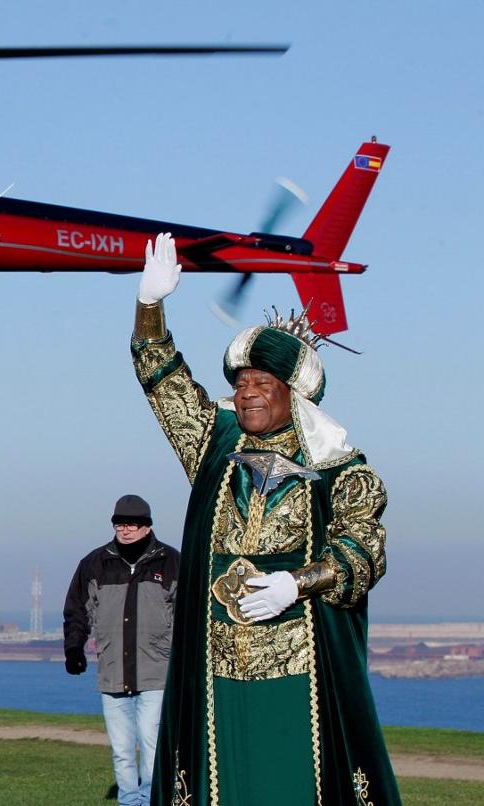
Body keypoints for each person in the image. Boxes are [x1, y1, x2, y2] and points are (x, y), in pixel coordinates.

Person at [131, 235, 400, 805]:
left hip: (300, 665)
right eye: (240, 383)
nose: (245, 393)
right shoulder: (215, 444)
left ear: (293, 396)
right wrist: (150, 310)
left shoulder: (339, 468)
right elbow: (168, 388)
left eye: (261, 384)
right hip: (218, 661)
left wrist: (293, 584)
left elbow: (364, 551)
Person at [63, 494, 179, 806]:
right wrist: (74, 649)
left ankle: (151, 798)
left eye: (132, 524)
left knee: (152, 743)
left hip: (157, 671)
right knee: (122, 748)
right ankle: (129, 801)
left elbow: (188, 616)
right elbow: (77, 611)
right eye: (119, 524)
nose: (125, 529)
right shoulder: (94, 563)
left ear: (147, 526)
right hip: (113, 672)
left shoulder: (172, 562)